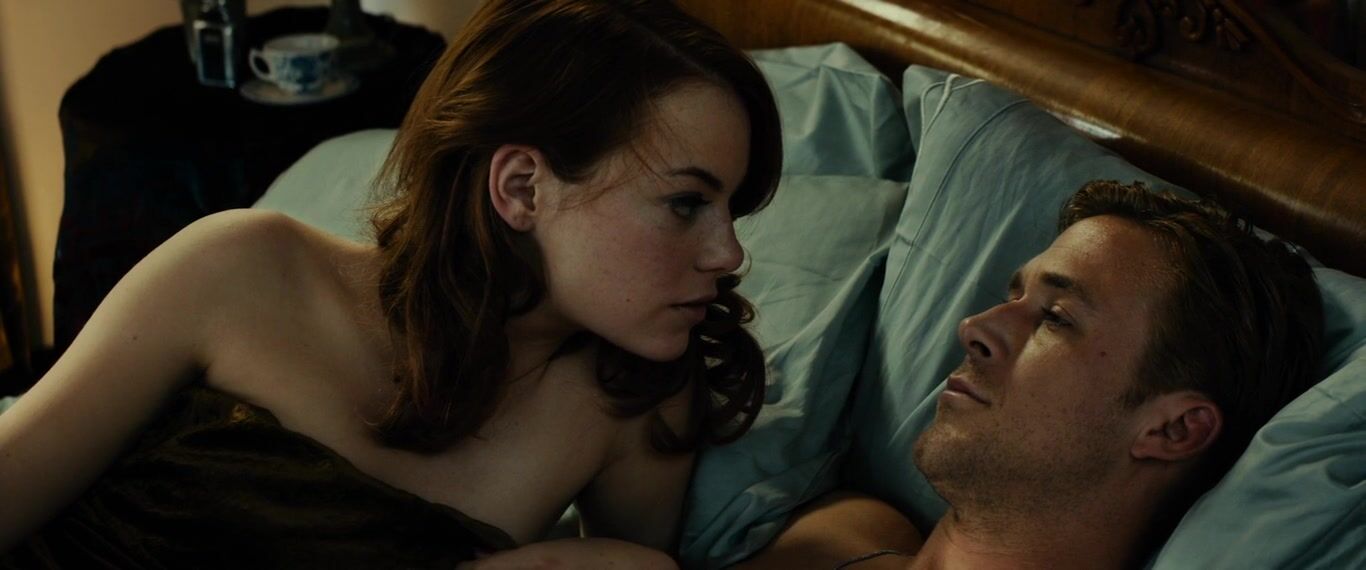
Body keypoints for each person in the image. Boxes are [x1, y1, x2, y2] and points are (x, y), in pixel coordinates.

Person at [0, 0, 782, 567]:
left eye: (731, 209)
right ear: (521, 187)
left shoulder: (633, 400)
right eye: (686, 203)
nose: (728, 254)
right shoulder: (240, 269)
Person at [736, 181, 1325, 569]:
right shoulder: (844, 531)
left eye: (1057, 318)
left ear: (1173, 429)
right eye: (1011, 296)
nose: (974, 327)